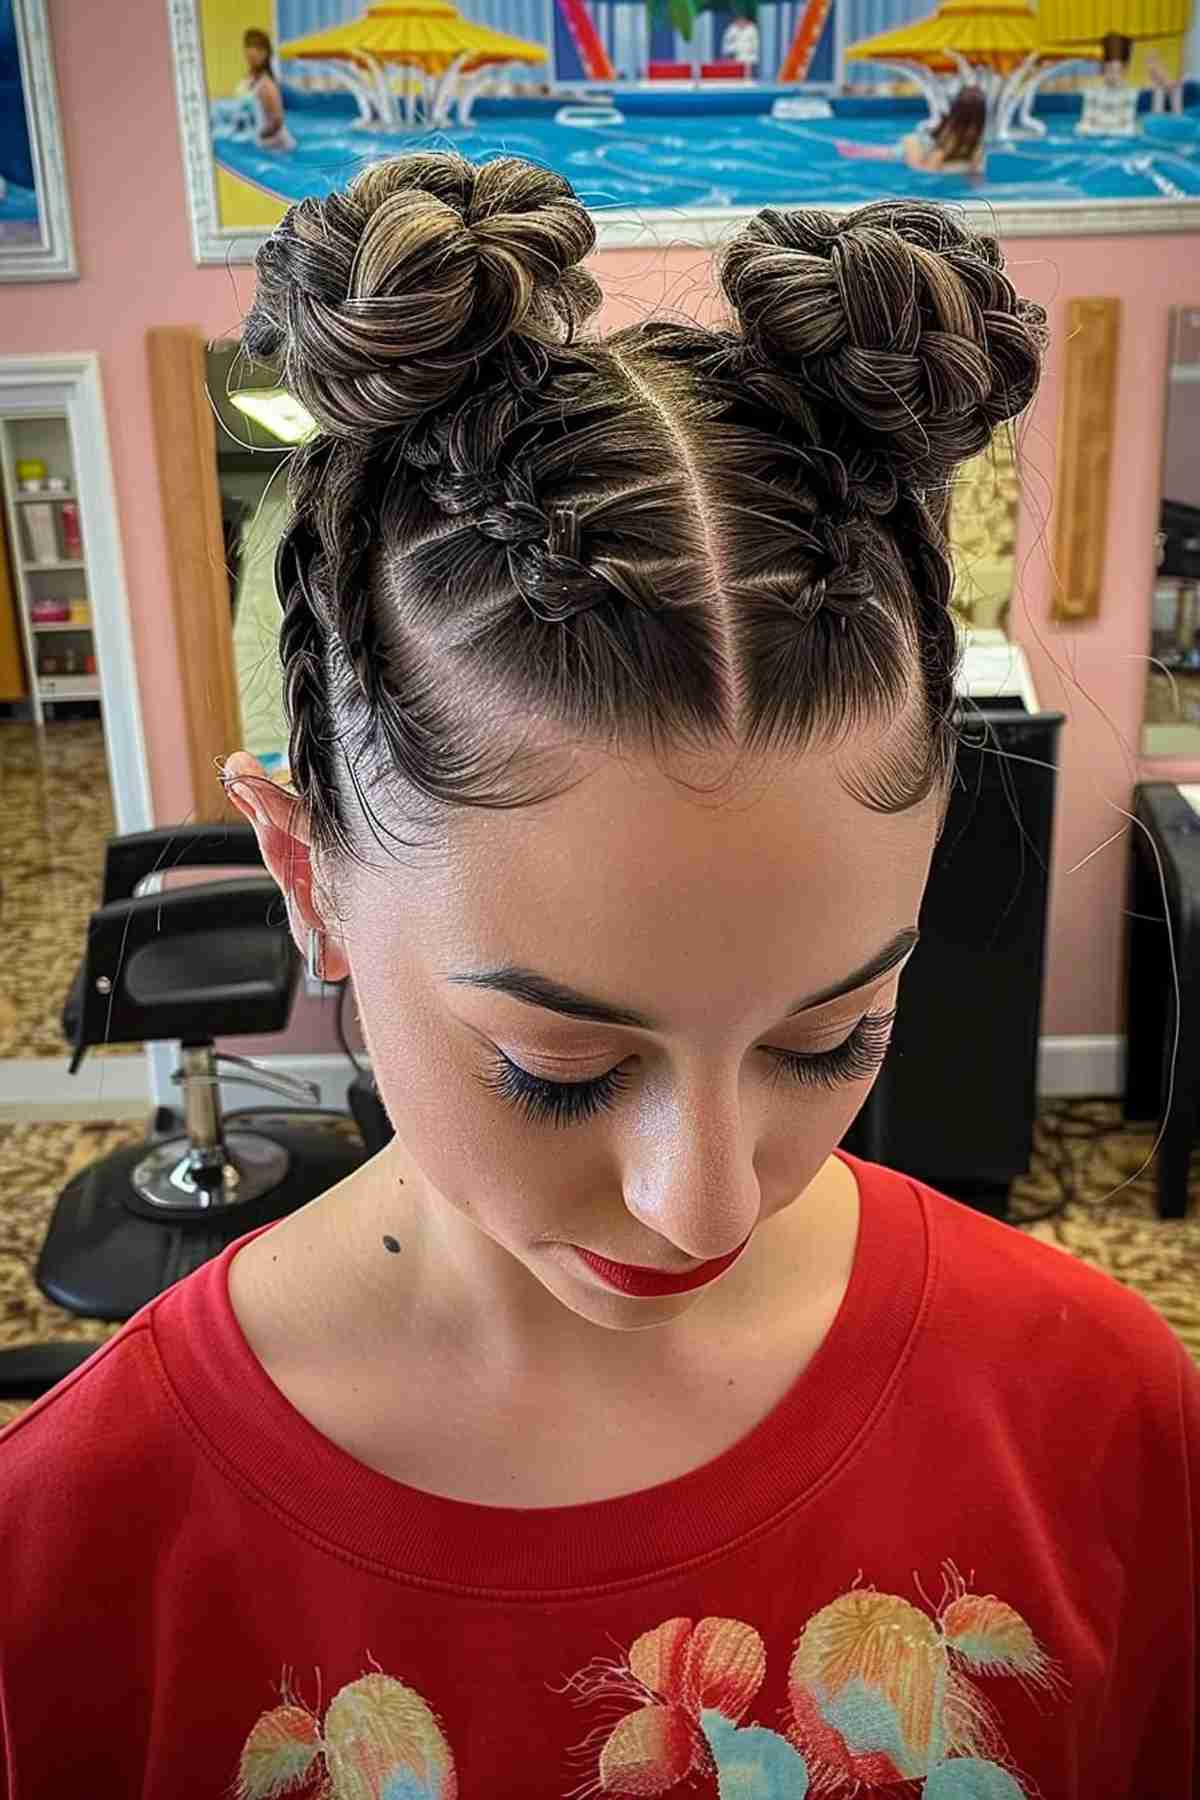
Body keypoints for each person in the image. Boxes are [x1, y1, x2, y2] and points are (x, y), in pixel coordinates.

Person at [1, 153, 1196, 1794]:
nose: (708, 1205)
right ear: (307, 878)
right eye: (562, 1067)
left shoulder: (1109, 1425)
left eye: (836, 1035)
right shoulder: (75, 1551)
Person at [835, 85, 987, 174]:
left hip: (919, 146)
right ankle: (856, 151)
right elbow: (925, 170)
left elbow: (975, 171)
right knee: (886, 152)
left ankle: (856, 150)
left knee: (884, 152)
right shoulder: (950, 140)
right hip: (916, 146)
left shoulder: (973, 143)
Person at [239, 25, 295, 153]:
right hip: (261, 143)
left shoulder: (266, 84)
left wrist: (256, 136)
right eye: (249, 46)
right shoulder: (248, 79)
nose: (253, 51)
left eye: (259, 48)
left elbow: (277, 121)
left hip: (277, 148)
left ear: (267, 54)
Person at [721, 7, 759, 72]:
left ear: (746, 20)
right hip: (735, 57)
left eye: (743, 19)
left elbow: (756, 45)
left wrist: (751, 51)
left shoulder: (752, 29)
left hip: (749, 57)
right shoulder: (731, 28)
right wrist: (730, 52)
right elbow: (726, 43)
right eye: (739, 19)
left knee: (748, 66)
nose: (741, 21)